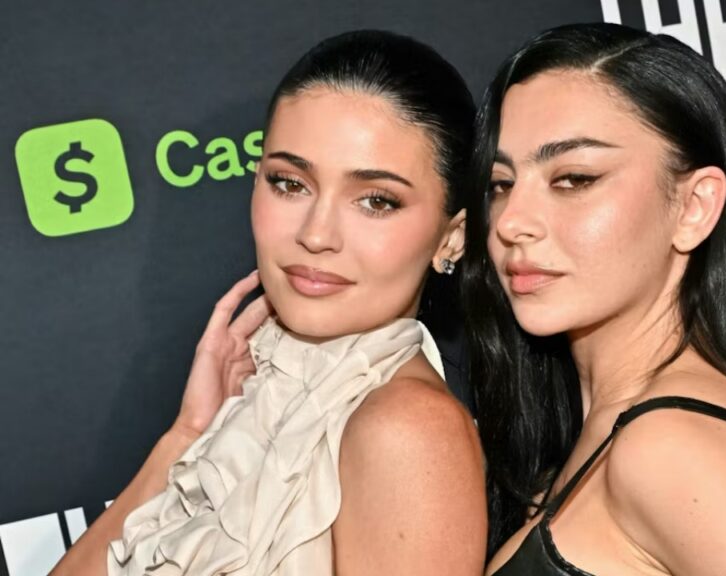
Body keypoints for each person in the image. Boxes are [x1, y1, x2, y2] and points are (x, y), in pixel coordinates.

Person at [52, 30, 486, 576]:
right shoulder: (259, 392)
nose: (316, 233)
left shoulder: (407, 432)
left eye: (376, 200)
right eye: (290, 183)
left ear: (452, 238)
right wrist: (189, 435)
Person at [461, 23, 726, 575]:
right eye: (501, 184)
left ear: (694, 207)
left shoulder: (671, 449)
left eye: (574, 179)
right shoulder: (610, 429)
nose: (511, 222)